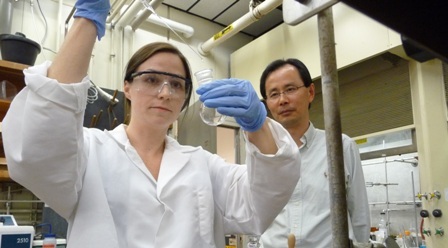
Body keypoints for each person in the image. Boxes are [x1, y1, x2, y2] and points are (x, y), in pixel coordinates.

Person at [1, 1, 301, 247]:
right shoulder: (89, 152)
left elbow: (260, 203)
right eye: (152, 79)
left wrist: (257, 123)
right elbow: (37, 151)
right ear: (127, 87)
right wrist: (87, 20)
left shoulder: (203, 165)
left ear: (185, 97)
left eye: (177, 84)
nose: (165, 92)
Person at [258, 58, 371, 247]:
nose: (283, 100)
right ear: (267, 104)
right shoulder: (261, 154)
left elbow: (358, 213)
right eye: (274, 94)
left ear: (310, 92)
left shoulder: (341, 147)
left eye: (290, 89)